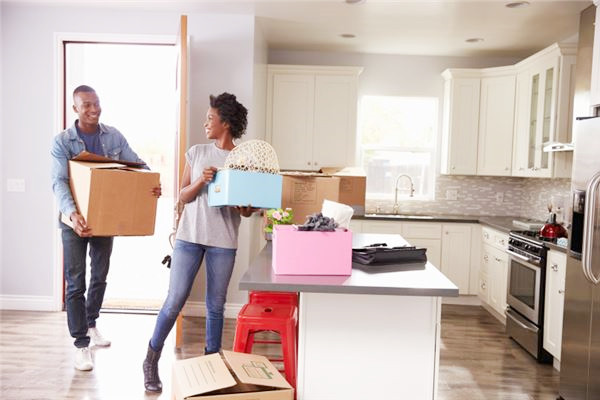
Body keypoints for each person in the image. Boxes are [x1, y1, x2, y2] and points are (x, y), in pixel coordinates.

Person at [143, 93, 256, 393]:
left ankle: (211, 367)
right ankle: (151, 359)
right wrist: (201, 181)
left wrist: (245, 206)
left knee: (216, 306)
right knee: (174, 301)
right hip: (189, 238)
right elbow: (182, 195)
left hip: (223, 242)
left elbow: (246, 211)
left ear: (226, 123)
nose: (205, 123)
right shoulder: (197, 153)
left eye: (210, 118)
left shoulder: (243, 160)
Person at [51, 85, 161, 372]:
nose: (93, 109)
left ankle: (91, 324)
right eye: (86, 105)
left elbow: (137, 165)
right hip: (73, 220)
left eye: (96, 103)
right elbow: (59, 182)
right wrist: (73, 214)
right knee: (76, 282)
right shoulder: (63, 141)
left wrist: (150, 183)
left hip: (104, 218)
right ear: (75, 109)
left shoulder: (113, 136)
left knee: (99, 276)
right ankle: (81, 344)